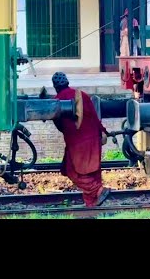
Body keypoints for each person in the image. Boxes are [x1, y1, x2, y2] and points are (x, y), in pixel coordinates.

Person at [51, 72, 111, 207]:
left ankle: (98, 191)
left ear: (55, 86)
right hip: (94, 138)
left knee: (72, 171)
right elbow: (95, 116)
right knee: (93, 172)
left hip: (77, 142)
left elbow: (60, 125)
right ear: (67, 82)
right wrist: (102, 131)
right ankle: (91, 203)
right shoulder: (82, 94)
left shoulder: (56, 101)